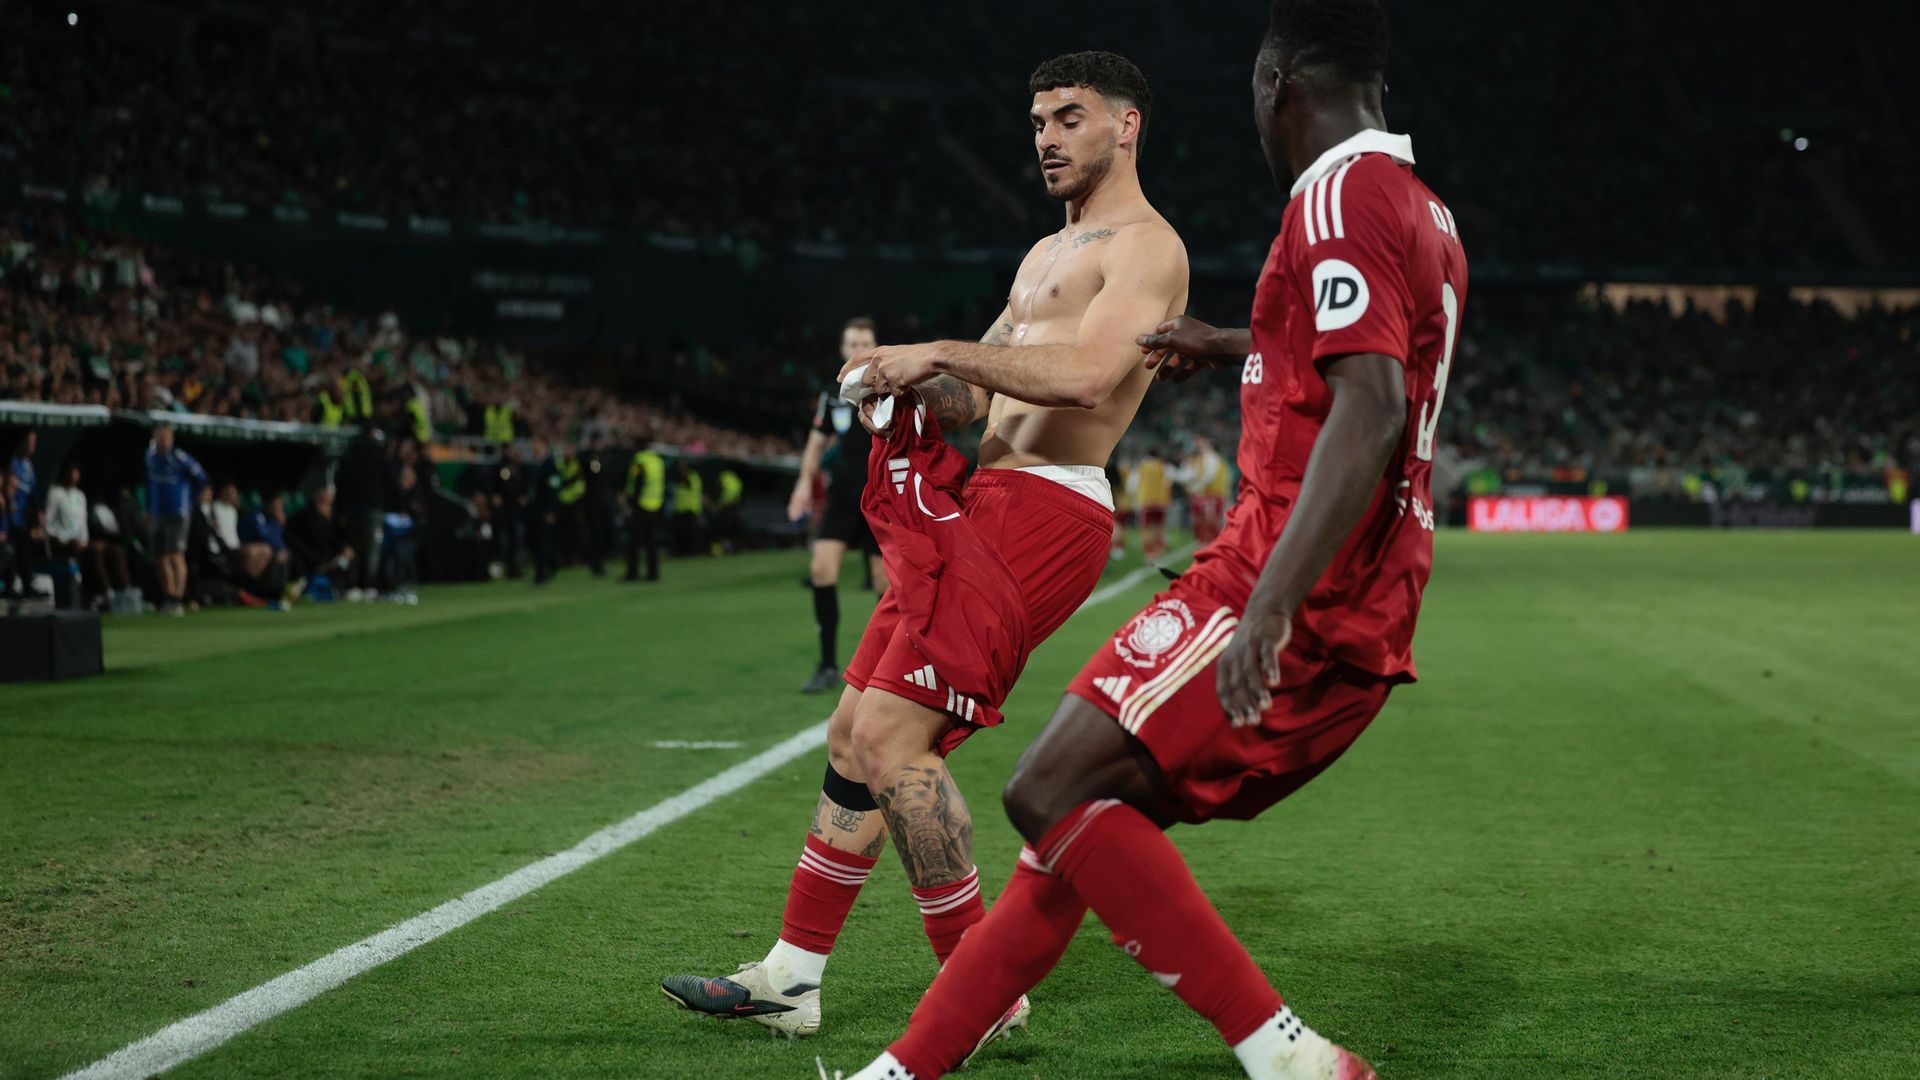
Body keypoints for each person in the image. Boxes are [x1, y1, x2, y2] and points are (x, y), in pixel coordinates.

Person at [839, 4, 1462, 1077]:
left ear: (1276, 84)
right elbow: (1350, 359)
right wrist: (1228, 344)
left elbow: (1370, 408)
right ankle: (902, 1072)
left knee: (1047, 789)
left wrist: (1270, 602)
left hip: (1287, 577)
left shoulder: (1336, 195)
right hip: (1359, 585)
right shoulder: (1423, 206)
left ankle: (1288, 1056)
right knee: (1074, 817)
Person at [663, 50, 1190, 1053]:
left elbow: (1083, 379)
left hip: (1046, 511)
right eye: (1036, 119)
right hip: (984, 500)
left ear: (1126, 126)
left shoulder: (1149, 248)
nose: (1044, 136)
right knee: (853, 729)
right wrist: (898, 384)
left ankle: (981, 987)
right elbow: (980, 397)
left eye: (1068, 117)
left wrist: (940, 349)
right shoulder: (1046, 253)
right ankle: (793, 978)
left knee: (898, 738)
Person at [791, 317, 891, 694]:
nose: (857, 348)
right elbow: (816, 443)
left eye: (864, 341)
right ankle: (828, 664)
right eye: (851, 343)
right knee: (820, 569)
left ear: (875, 346)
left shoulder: (889, 390)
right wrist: (803, 484)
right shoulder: (832, 396)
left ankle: (885, 668)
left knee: (885, 585)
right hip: (843, 497)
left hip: (879, 497)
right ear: (842, 348)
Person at [146, 423, 208, 615]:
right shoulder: (149, 457)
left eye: (166, 436)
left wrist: (190, 499)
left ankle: (177, 599)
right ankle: (168, 595)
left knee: (175, 554)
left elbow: (201, 477)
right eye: (160, 436)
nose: (163, 440)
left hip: (178, 513)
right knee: (160, 556)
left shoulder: (179, 457)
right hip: (158, 512)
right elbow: (149, 483)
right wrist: (149, 507)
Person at [334, 421, 387, 601]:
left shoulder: (349, 451)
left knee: (354, 548)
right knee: (371, 548)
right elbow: (389, 477)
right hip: (372, 507)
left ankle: (353, 585)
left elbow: (340, 481)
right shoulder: (377, 451)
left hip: (352, 508)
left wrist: (340, 509)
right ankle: (369, 585)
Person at [287, 487, 352, 585]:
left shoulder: (331, 519)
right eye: (323, 502)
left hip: (327, 557)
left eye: (329, 504)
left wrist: (343, 547)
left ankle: (341, 587)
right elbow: (305, 540)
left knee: (346, 558)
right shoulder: (303, 517)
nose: (327, 507)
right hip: (309, 557)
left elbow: (335, 539)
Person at [623, 437, 666, 582]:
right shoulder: (657, 460)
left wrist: (631, 503)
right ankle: (653, 573)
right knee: (651, 541)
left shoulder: (639, 460)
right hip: (656, 504)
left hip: (641, 506)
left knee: (634, 540)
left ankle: (632, 572)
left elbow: (637, 483)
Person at [1179, 434, 1231, 544]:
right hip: (1210, 495)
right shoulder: (1206, 459)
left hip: (1212, 494)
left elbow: (1208, 476)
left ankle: (1212, 544)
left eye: (1200, 444)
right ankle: (1207, 543)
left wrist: (1196, 487)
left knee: (1210, 521)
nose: (1198, 446)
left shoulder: (1211, 458)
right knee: (1205, 521)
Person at [583, 434, 615, 576]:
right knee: (595, 533)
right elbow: (595, 477)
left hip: (603, 501)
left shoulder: (605, 456)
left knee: (602, 533)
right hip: (594, 502)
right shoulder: (591, 458)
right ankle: (595, 564)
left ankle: (600, 561)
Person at [1133, 445, 1172, 560]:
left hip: (1146, 500)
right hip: (1161, 500)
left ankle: (1149, 552)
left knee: (1145, 528)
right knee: (1159, 526)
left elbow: (1133, 483)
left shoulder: (1142, 466)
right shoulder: (1163, 465)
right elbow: (1168, 482)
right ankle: (1158, 550)